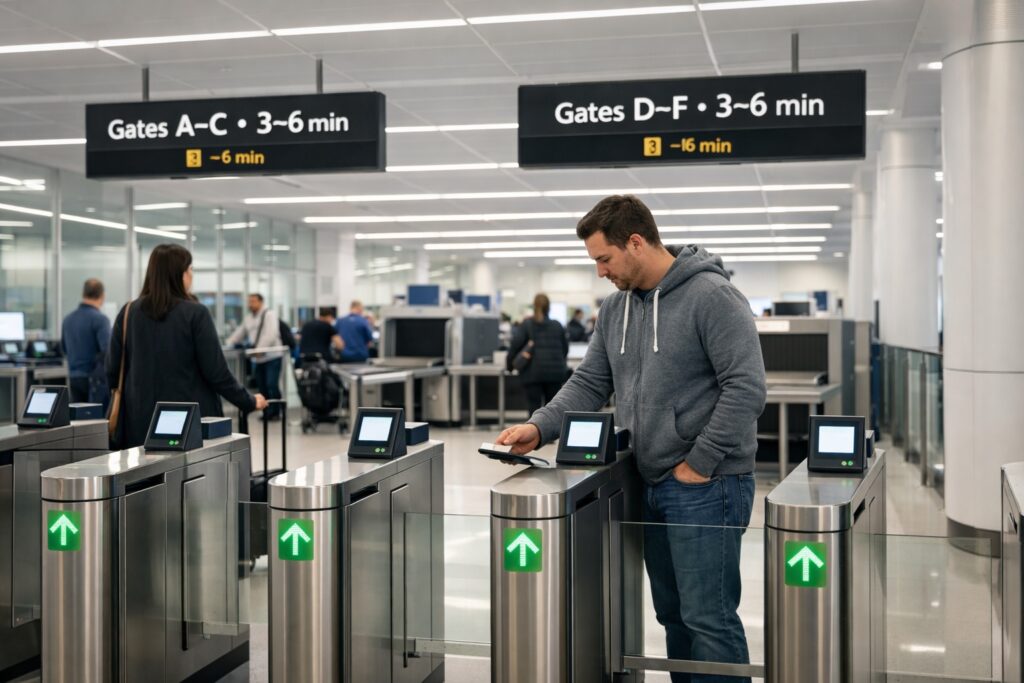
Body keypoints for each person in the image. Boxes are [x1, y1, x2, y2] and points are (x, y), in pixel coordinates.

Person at [496, 195, 766, 683]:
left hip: (708, 485)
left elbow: (746, 387)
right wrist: (540, 426)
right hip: (652, 481)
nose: (600, 272)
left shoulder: (712, 296)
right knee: (672, 614)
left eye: (605, 259)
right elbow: (590, 381)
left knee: (708, 618)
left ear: (636, 243)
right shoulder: (616, 308)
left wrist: (700, 462)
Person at [107, 244, 267, 450]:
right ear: (180, 274)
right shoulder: (195, 313)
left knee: (146, 471)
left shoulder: (129, 312)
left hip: (139, 421)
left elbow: (112, 370)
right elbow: (216, 372)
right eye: (190, 269)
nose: (192, 275)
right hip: (188, 423)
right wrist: (248, 401)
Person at [505, 293, 569, 417]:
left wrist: (509, 366)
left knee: (534, 410)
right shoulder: (557, 325)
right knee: (552, 411)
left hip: (532, 374)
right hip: (555, 375)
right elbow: (565, 350)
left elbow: (514, 347)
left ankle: (535, 430)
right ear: (548, 307)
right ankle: (552, 430)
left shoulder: (527, 325)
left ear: (534, 306)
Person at [226, 293, 284, 420]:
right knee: (262, 386)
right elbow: (240, 333)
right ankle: (266, 412)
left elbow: (271, 334)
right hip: (258, 358)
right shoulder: (249, 318)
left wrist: (259, 349)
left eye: (253, 301)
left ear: (261, 302)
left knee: (271, 384)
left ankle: (276, 412)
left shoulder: (269, 314)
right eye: (249, 301)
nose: (250, 304)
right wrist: (228, 343)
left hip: (272, 356)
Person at [61, 278, 112, 407]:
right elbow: (108, 351)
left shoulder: (68, 319)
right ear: (102, 296)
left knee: (77, 416)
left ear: (83, 294)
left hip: (74, 378)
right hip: (95, 381)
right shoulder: (101, 320)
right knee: (95, 418)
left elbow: (64, 348)